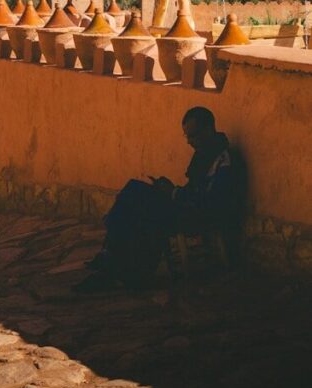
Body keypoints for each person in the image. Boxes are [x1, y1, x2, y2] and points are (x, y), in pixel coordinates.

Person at [74, 107, 240, 291]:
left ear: (208, 130)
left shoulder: (224, 161)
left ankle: (120, 262)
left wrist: (174, 193)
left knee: (142, 205)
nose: (190, 142)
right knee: (136, 190)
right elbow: (193, 188)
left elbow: (209, 201)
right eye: (187, 137)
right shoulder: (204, 155)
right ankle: (115, 258)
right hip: (187, 205)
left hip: (201, 214)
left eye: (193, 136)